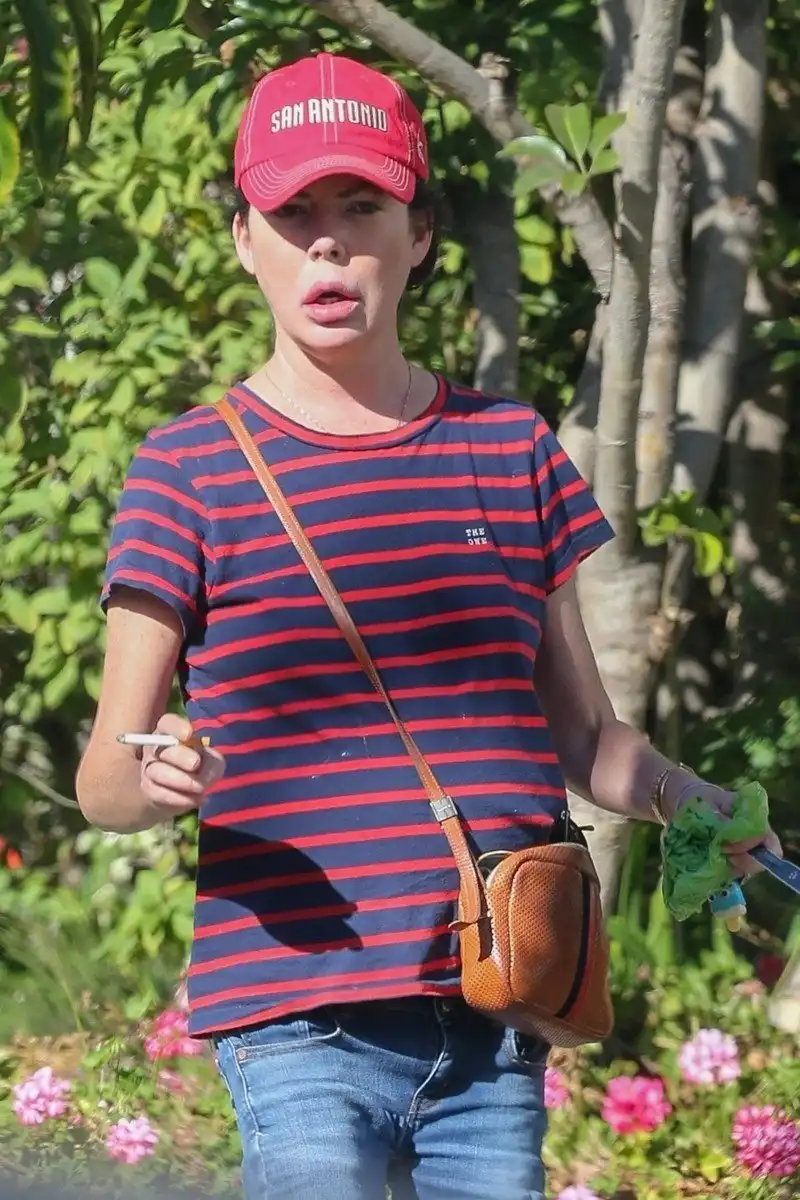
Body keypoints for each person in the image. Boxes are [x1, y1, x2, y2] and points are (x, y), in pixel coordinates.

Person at [75, 51, 781, 1200]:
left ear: (419, 235)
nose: (326, 243)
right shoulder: (183, 471)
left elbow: (587, 737)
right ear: (244, 239)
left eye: (361, 207)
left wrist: (690, 801)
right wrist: (153, 781)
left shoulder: (509, 448)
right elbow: (104, 779)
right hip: (295, 1016)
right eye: (292, 212)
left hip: (497, 1005)